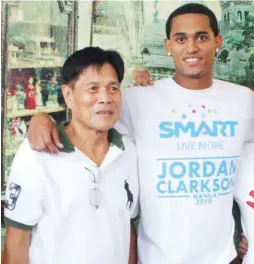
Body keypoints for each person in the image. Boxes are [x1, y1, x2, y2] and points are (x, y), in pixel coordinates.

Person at [26, 3, 254, 264]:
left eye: (201, 37)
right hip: (155, 258)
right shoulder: (137, 99)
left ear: (218, 41)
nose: (191, 47)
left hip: (223, 259)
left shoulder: (244, 101)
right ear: (168, 45)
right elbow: (86, 122)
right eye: (181, 39)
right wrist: (41, 118)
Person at [3, 47, 139, 264]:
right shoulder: (37, 154)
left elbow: (127, 229)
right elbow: (17, 242)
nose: (105, 98)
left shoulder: (128, 152)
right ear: (68, 95)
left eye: (113, 88)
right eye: (93, 89)